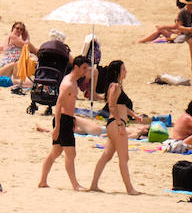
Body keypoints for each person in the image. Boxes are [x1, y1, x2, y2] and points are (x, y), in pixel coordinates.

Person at [37, 55, 92, 191]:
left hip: (67, 120)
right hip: (62, 120)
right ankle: (75, 185)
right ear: (76, 67)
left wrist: (72, 120)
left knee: (55, 152)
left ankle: (43, 181)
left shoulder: (73, 82)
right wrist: (57, 127)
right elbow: (59, 104)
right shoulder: (68, 83)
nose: (86, 71)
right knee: (70, 153)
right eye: (84, 68)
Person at [88, 60, 140, 195]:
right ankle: (130, 189)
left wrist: (134, 115)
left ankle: (94, 185)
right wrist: (120, 123)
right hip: (116, 124)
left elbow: (121, 106)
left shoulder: (116, 86)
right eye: (124, 69)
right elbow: (111, 106)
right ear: (117, 72)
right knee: (124, 157)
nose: (126, 71)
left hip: (115, 124)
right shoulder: (114, 86)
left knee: (106, 156)